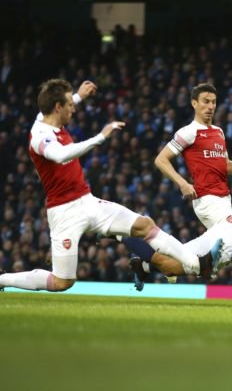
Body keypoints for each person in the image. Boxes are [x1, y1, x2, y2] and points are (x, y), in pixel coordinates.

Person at [0, 79, 207, 293]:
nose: (74, 108)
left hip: (88, 201)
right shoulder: (40, 137)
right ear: (58, 107)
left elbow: (60, 111)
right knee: (62, 282)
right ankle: (2, 280)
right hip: (63, 212)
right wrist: (100, 137)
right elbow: (61, 155)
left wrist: (79, 95)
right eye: (70, 104)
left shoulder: (47, 118)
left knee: (144, 225)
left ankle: (194, 263)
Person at [150, 83, 232, 308]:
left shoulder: (218, 132)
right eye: (205, 102)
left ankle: (164, 263)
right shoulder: (188, 132)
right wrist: (182, 183)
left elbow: (224, 166)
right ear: (194, 103)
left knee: (222, 246)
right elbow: (160, 160)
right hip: (207, 199)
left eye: (213, 102)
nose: (210, 106)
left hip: (224, 198)